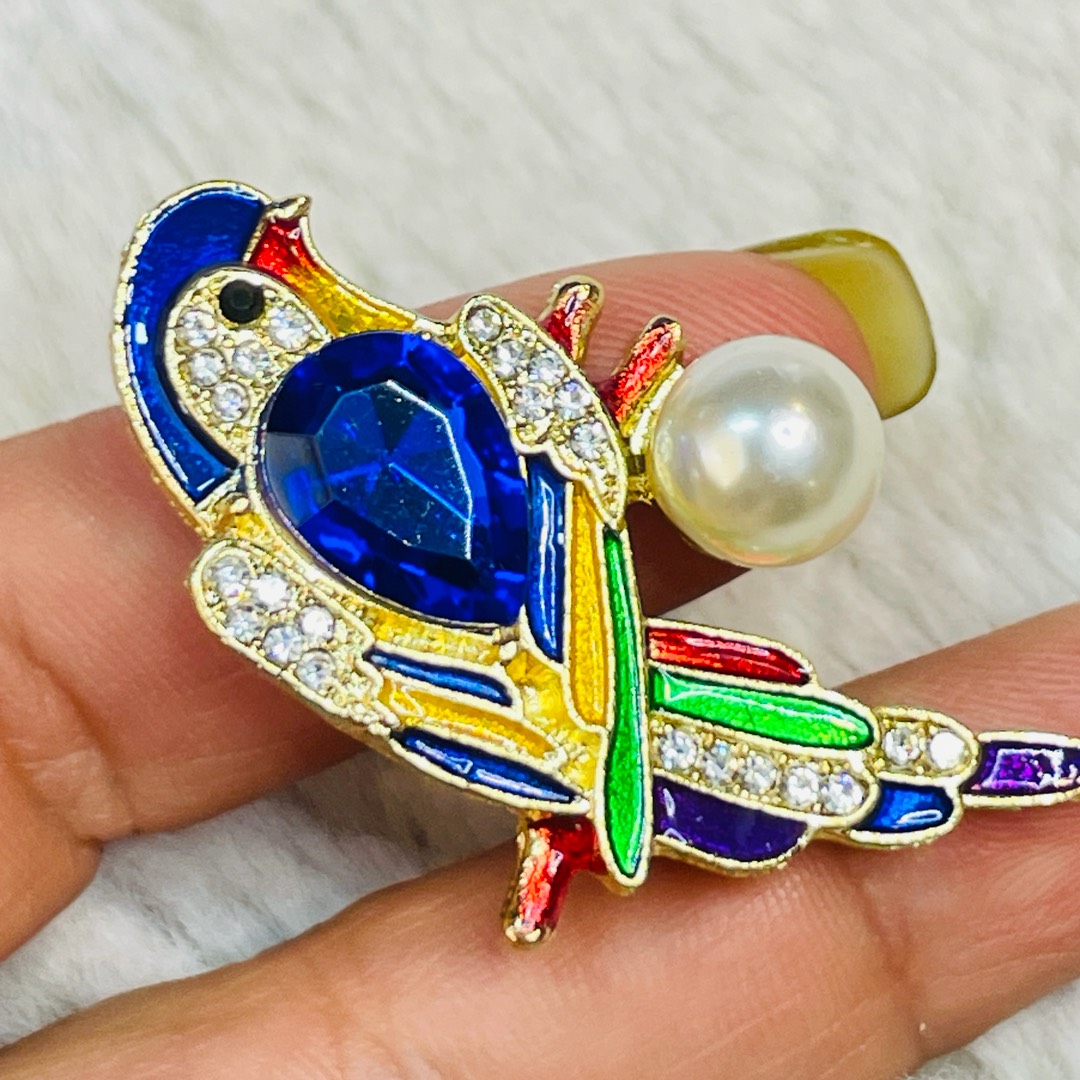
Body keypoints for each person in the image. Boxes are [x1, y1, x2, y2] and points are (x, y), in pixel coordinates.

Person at [0, 250, 1073, 1079]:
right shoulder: (250, 570)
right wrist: (572, 743)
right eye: (248, 297)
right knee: (795, 754)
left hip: (575, 684)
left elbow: (564, 502)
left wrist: (579, 710)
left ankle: (927, 767)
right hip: (538, 706)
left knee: (788, 751)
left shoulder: (435, 368)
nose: (296, 282)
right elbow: (410, 698)